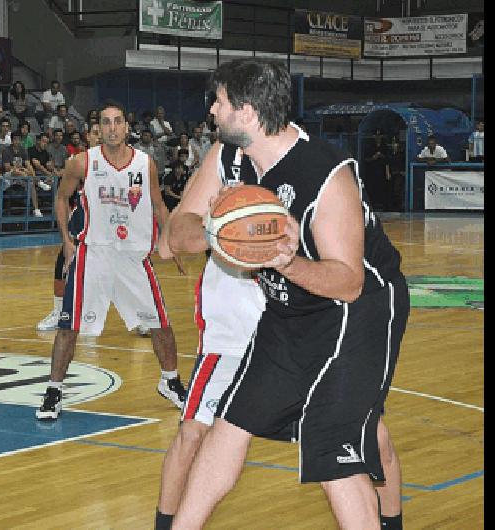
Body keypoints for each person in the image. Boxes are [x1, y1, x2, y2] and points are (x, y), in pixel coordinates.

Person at [165, 59, 408, 530]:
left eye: (219, 102)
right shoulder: (229, 156)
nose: (212, 111)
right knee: (230, 424)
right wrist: (221, 230)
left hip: (358, 314)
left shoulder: (326, 174)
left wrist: (285, 260)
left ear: (249, 113)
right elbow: (179, 231)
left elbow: (349, 281)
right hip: (288, 308)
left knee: (331, 443)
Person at [34, 100, 187, 420]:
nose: (113, 127)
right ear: (98, 129)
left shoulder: (146, 165)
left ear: (127, 127)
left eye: (118, 121)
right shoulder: (82, 163)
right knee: (69, 326)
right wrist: (66, 241)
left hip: (133, 255)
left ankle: (170, 381)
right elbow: (62, 199)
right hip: (94, 254)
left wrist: (169, 240)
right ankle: (54, 390)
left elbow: (160, 205)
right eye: (106, 122)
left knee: (161, 323)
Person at [36, 121, 101, 331]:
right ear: (88, 136)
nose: (99, 137)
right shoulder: (78, 163)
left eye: (102, 133)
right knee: (62, 265)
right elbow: (62, 197)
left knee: (127, 271)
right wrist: (66, 236)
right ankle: (59, 312)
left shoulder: (122, 162)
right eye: (95, 133)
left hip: (112, 226)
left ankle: (143, 317)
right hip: (82, 222)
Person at [364, 128, 388, 210]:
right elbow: (366, 159)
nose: (378, 137)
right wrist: (373, 158)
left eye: (379, 135)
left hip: (382, 171)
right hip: (372, 171)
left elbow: (388, 159)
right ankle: (372, 205)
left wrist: (381, 156)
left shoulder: (384, 146)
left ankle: (383, 205)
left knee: (383, 188)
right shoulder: (369, 146)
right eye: (376, 135)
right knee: (372, 187)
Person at [385, 136, 406, 212]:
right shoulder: (389, 153)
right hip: (391, 173)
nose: (394, 145)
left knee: (397, 189)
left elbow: (404, 163)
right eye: (393, 143)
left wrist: (403, 172)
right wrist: (387, 173)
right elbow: (387, 163)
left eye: (395, 143)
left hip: (399, 173)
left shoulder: (401, 153)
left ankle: (399, 207)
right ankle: (390, 207)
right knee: (390, 190)